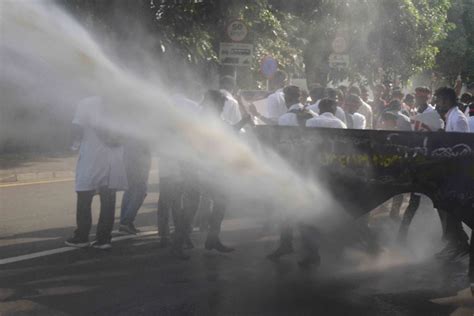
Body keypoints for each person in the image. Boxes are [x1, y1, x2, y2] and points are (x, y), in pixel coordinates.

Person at [65, 96, 128, 250]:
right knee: (108, 201)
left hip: (92, 158)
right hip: (114, 159)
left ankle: (82, 236)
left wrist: (73, 145)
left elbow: (77, 128)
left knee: (84, 197)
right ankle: (104, 239)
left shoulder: (85, 103)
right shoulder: (121, 105)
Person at [434, 87, 470, 259]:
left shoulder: (459, 119)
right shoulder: (450, 116)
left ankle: (458, 245)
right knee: (445, 208)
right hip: (448, 171)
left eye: (439, 100)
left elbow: (461, 148)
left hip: (456, 174)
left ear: (446, 100)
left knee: (451, 209)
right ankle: (457, 243)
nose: (437, 103)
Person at [118, 138, 151, 234]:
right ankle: (126, 221)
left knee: (130, 190)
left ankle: (125, 222)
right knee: (141, 190)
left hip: (130, 153)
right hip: (138, 155)